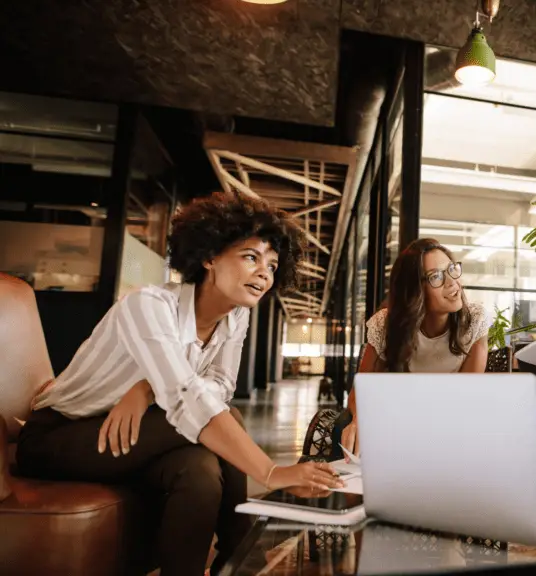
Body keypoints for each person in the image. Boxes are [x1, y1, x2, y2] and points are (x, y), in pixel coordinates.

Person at [17, 193, 345, 576]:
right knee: (218, 417)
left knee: (200, 471)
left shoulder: (235, 318)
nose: (264, 274)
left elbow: (219, 385)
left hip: (140, 432)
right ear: (209, 256)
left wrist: (145, 390)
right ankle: (241, 551)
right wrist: (270, 472)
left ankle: (222, 564)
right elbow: (189, 398)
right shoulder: (149, 305)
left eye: (272, 265)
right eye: (251, 257)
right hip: (59, 436)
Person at [340, 238, 491, 457]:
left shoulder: (474, 321)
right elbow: (362, 388)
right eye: (436, 276)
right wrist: (358, 421)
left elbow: (466, 398)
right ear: (414, 289)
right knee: (347, 432)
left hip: (449, 425)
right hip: (395, 422)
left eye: (451, 269)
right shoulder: (386, 325)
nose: (452, 283)